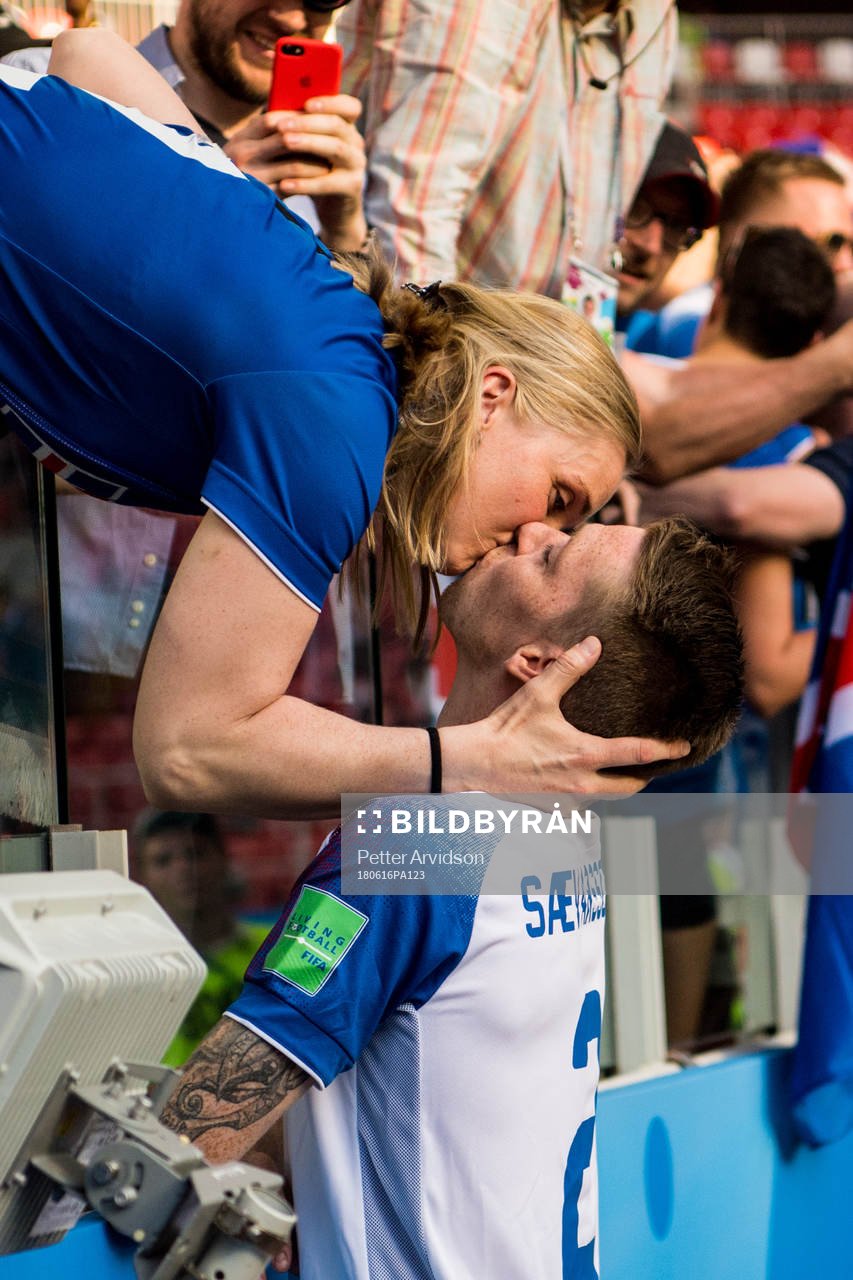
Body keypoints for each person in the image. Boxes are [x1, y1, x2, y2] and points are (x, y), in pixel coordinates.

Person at [0, 38, 689, 821]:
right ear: (492, 395)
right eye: (560, 496)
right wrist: (475, 759)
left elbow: (87, 57)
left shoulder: (325, 310)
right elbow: (188, 751)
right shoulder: (337, 421)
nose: (534, 533)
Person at [159, 515, 744, 1279]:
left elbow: (196, 1131)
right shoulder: (560, 834)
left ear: (536, 664)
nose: (528, 526)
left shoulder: (416, 846)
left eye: (548, 555)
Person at [337, 0, 678, 292]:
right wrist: (432, 354)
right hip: (458, 340)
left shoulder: (657, 16)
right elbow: (412, 218)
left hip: (543, 343)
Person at [2, 0, 369, 253]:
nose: (289, 17)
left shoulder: (320, 158)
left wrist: (344, 232)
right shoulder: (41, 83)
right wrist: (210, 194)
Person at [625, 149, 853, 480]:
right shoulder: (688, 322)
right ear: (742, 242)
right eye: (830, 242)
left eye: (851, 245)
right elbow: (667, 446)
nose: (845, 263)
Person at [132, 809, 270, 1066]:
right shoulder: (135, 970)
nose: (183, 868)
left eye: (195, 853)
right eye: (163, 860)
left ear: (224, 858)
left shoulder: (275, 950)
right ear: (143, 877)